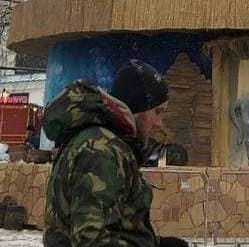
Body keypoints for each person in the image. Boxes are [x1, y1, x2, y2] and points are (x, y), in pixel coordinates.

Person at [44, 59, 188, 247]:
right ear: (138, 108)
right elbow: (93, 242)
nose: (160, 123)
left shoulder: (108, 144)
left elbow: (114, 229)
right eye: (158, 111)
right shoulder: (101, 151)